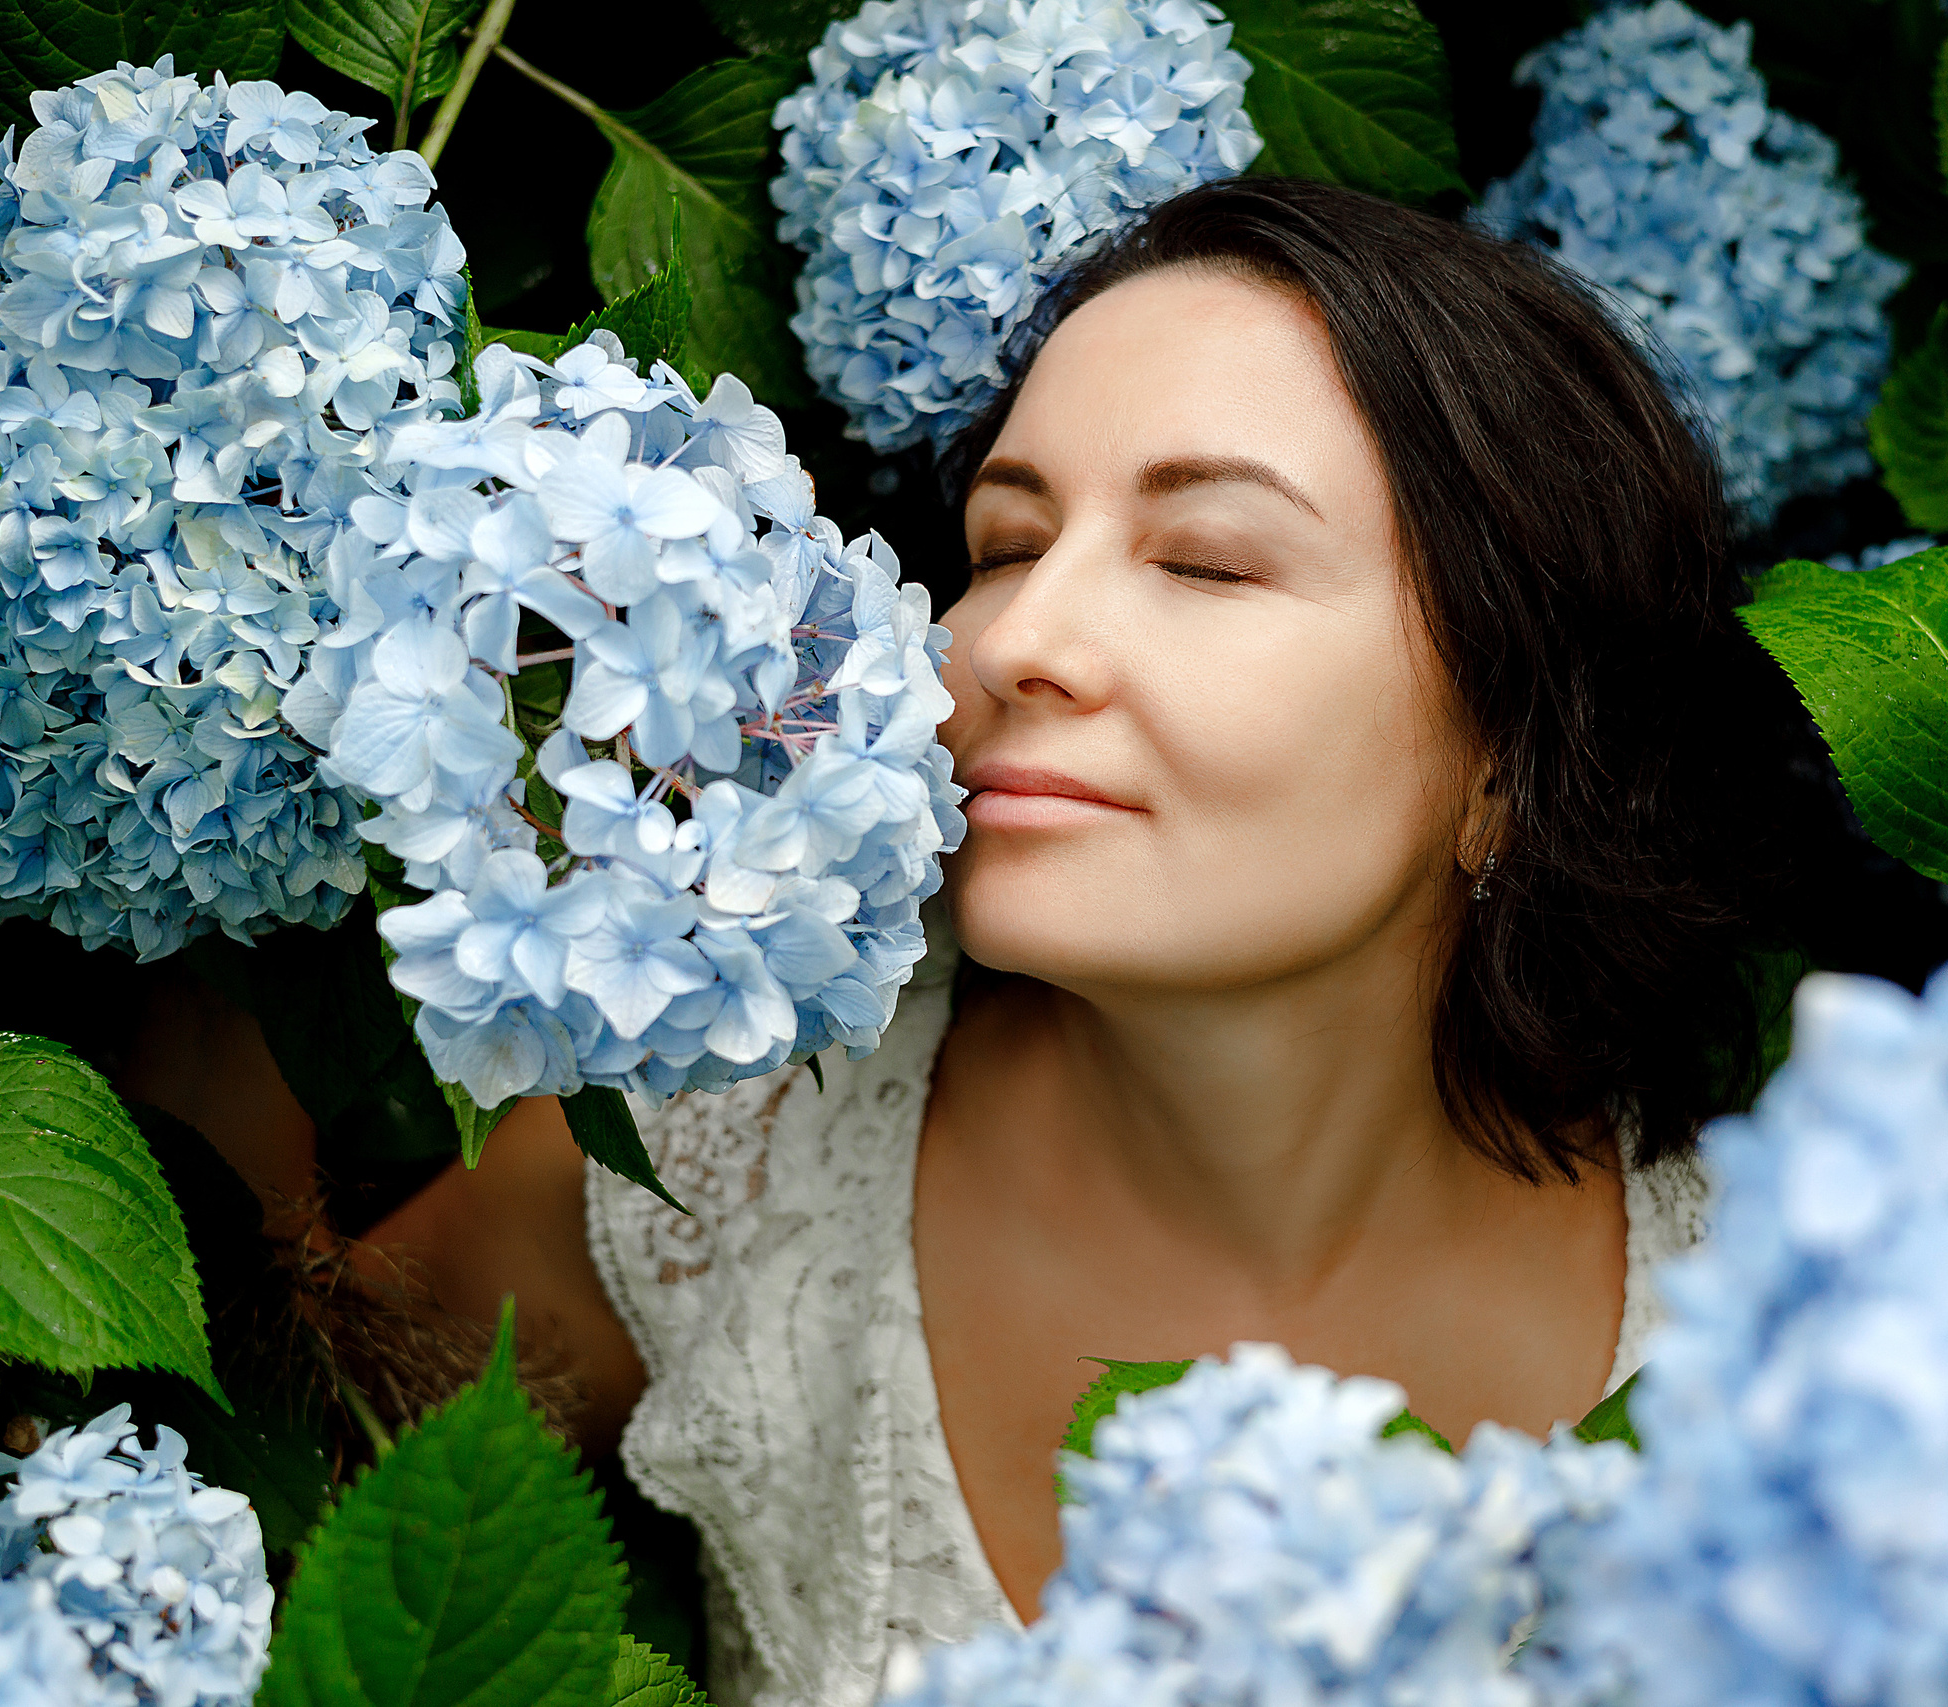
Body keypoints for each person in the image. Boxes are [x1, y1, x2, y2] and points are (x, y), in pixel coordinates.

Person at [134, 177, 1790, 1707]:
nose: (1018, 640)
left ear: (1512, 754)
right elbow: (252, 1467)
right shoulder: (747, 1151)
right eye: (1004, 545)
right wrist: (243, 800)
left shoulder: (1792, 1340)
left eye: (1203, 559)